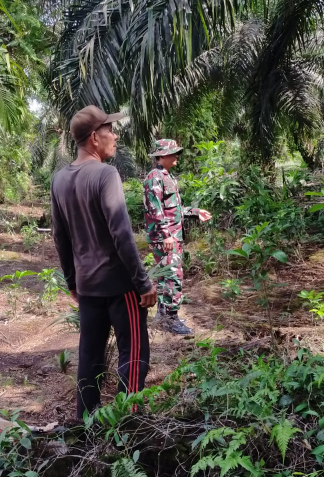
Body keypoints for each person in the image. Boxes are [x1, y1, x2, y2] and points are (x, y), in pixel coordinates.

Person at [51, 106, 158, 418]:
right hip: (120, 286)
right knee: (133, 355)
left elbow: (60, 237)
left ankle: (86, 423)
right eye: (110, 130)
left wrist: (72, 282)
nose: (115, 136)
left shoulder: (59, 179)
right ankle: (129, 421)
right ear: (94, 138)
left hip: (87, 286)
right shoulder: (105, 174)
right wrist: (143, 283)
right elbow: (121, 234)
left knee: (90, 357)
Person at [143, 139, 212, 335]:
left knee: (165, 275)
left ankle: (163, 316)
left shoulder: (166, 176)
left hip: (170, 236)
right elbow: (155, 209)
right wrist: (166, 235)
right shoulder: (154, 178)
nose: (176, 157)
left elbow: (174, 208)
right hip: (165, 238)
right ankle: (170, 319)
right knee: (173, 276)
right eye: (173, 153)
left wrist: (195, 212)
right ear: (162, 155)